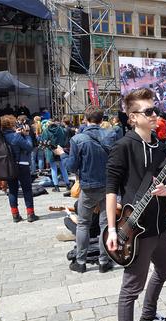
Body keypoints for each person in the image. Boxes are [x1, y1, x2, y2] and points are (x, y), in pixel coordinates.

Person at [105, 88, 166, 321]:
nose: (154, 115)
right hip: (135, 229)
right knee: (130, 289)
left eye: (154, 110)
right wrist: (112, 230)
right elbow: (111, 189)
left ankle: (148, 315)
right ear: (133, 117)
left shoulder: (162, 147)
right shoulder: (123, 146)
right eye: (148, 112)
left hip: (160, 226)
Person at [55, 107, 115, 273]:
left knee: (83, 224)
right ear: (102, 119)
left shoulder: (78, 139)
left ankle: (81, 262)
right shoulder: (111, 135)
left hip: (88, 187)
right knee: (105, 223)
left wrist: (62, 154)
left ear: (85, 119)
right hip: (108, 185)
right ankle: (104, 261)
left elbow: (72, 166)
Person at [1, 115, 38, 223]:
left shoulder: (1, 137)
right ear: (11, 125)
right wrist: (26, 135)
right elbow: (29, 147)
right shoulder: (16, 136)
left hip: (9, 166)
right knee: (27, 189)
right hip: (22, 164)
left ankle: (15, 215)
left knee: (12, 190)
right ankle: (30, 214)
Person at [41, 121, 70, 192]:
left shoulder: (46, 131)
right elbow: (65, 139)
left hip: (51, 151)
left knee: (53, 169)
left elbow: (43, 141)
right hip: (60, 149)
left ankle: (56, 187)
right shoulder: (61, 129)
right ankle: (68, 185)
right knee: (63, 168)